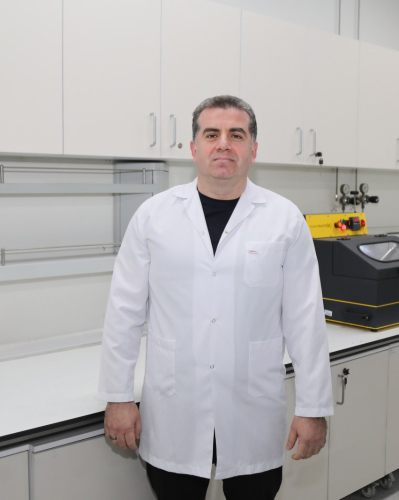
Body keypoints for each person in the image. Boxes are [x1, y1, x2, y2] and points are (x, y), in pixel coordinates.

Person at [98, 95, 333, 500]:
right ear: (194, 148)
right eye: (212, 134)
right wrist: (118, 397)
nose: (224, 144)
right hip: (176, 406)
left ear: (253, 149)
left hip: (252, 407)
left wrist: (313, 408)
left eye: (236, 135)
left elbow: (305, 320)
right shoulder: (154, 217)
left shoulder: (284, 219)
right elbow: (123, 313)